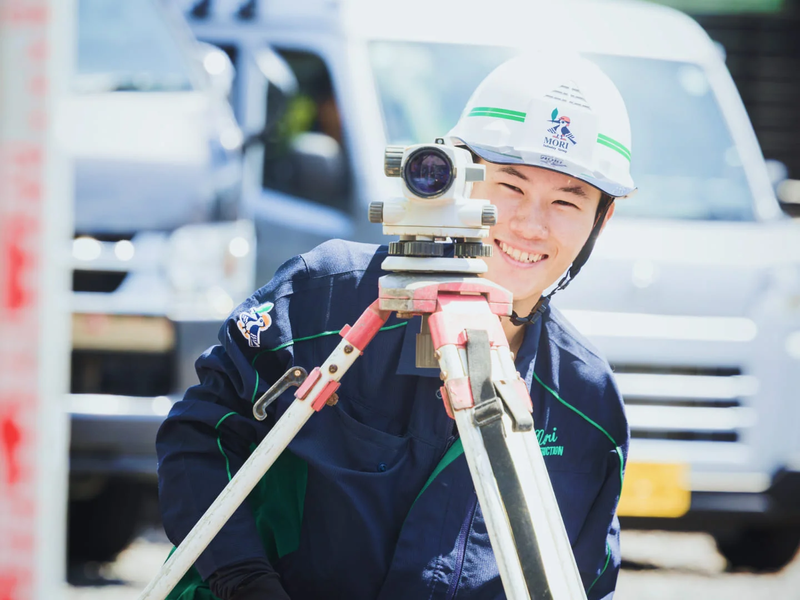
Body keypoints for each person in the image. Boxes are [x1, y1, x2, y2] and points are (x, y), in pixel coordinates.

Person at [157, 52, 636, 600]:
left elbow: (584, 579)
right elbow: (199, 437)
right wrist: (243, 580)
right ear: (455, 172)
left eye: (566, 201)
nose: (531, 224)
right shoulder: (326, 298)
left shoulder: (585, 399)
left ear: (603, 216)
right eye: (511, 185)